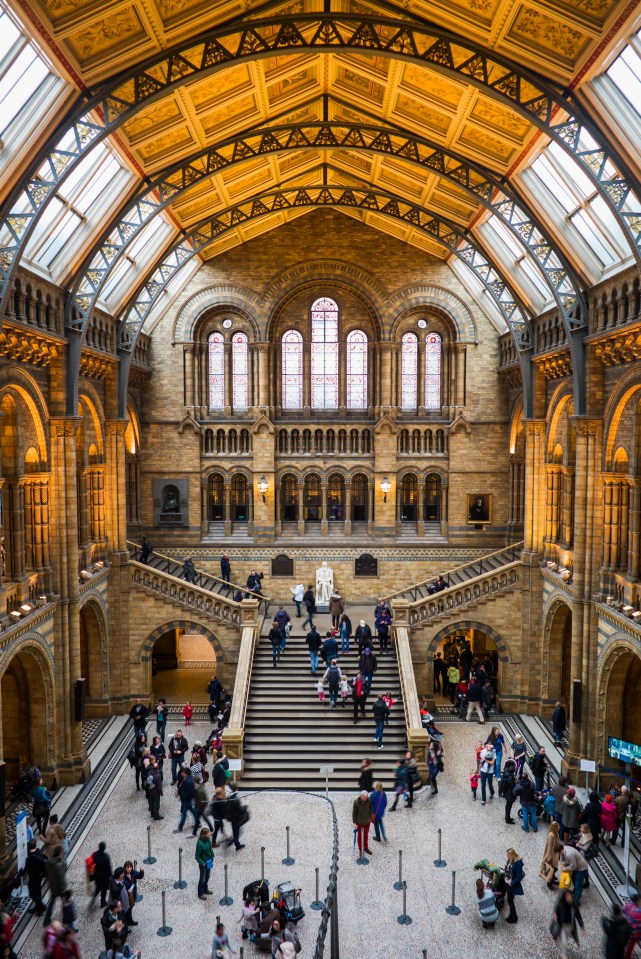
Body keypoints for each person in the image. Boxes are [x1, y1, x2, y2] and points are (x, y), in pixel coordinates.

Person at [552, 890, 584, 959]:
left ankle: (563, 948)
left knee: (565, 938)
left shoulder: (574, 905)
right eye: (567, 896)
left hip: (570, 926)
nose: (569, 897)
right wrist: (555, 914)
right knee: (564, 943)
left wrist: (582, 927)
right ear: (564, 897)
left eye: (570, 895)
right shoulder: (561, 903)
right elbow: (556, 909)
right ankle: (563, 955)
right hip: (562, 926)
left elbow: (578, 916)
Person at [43, 846, 68, 925]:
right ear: (59, 853)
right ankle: (67, 919)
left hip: (52, 886)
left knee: (51, 903)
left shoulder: (48, 862)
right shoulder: (59, 864)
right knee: (65, 903)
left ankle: (46, 920)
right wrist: (64, 889)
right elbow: (61, 878)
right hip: (60, 888)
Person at [174, 767, 200, 835]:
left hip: (186, 800)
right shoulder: (187, 779)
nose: (181, 773)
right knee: (193, 811)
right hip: (187, 800)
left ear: (186, 773)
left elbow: (191, 792)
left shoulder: (189, 781)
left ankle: (180, 827)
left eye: (183, 772)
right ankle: (198, 822)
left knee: (184, 814)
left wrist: (183, 796)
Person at [24, 839, 46, 915]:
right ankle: (38, 909)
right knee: (38, 893)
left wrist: (19, 875)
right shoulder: (39, 851)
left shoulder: (30, 858)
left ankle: (42, 906)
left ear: (28, 846)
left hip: (33, 879)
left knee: (32, 894)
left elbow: (26, 869)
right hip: (39, 877)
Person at [504, 848, 524, 924]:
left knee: (510, 900)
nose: (506, 856)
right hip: (508, 881)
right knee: (509, 899)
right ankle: (512, 915)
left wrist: (512, 883)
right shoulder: (510, 860)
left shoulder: (517, 863)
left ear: (511, 855)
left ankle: (513, 916)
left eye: (507, 855)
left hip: (511, 885)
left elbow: (518, 877)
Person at [91, 841, 112, 907]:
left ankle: (94, 897)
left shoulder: (95, 855)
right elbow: (108, 868)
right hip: (104, 877)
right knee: (104, 889)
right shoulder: (106, 857)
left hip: (97, 875)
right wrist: (110, 876)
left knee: (97, 887)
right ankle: (102, 902)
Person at [352, 790, 373, 858]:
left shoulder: (369, 801)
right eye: (364, 797)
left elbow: (371, 809)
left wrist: (370, 818)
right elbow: (354, 813)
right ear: (361, 796)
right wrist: (354, 822)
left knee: (366, 835)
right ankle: (361, 849)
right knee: (360, 836)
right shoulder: (356, 802)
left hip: (367, 822)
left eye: (366, 797)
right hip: (359, 822)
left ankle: (366, 847)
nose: (365, 799)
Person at [541, 821, 561, 889]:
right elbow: (549, 847)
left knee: (554, 868)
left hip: (555, 854)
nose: (559, 827)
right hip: (551, 855)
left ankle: (552, 878)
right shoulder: (551, 835)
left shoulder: (556, 833)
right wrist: (549, 858)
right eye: (558, 826)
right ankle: (549, 882)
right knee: (552, 869)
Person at [195, 826, 214, 901]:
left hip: (209, 861)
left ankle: (205, 889)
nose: (210, 833)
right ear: (205, 834)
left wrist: (212, 856)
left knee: (207, 876)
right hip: (203, 864)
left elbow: (210, 848)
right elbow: (197, 856)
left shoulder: (208, 839)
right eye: (208, 832)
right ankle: (200, 893)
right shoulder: (199, 843)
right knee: (202, 879)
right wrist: (202, 863)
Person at [623, 893, 641, 958]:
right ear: (638, 901)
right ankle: (627, 956)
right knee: (631, 944)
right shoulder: (639, 912)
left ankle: (625, 952)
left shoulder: (629, 905)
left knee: (627, 942)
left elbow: (623, 910)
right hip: (635, 932)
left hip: (627, 928)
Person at [502, 758, 517, 824]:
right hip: (509, 794)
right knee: (508, 806)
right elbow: (513, 786)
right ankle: (507, 819)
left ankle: (507, 817)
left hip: (506, 792)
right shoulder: (510, 777)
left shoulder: (505, 773)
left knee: (508, 806)